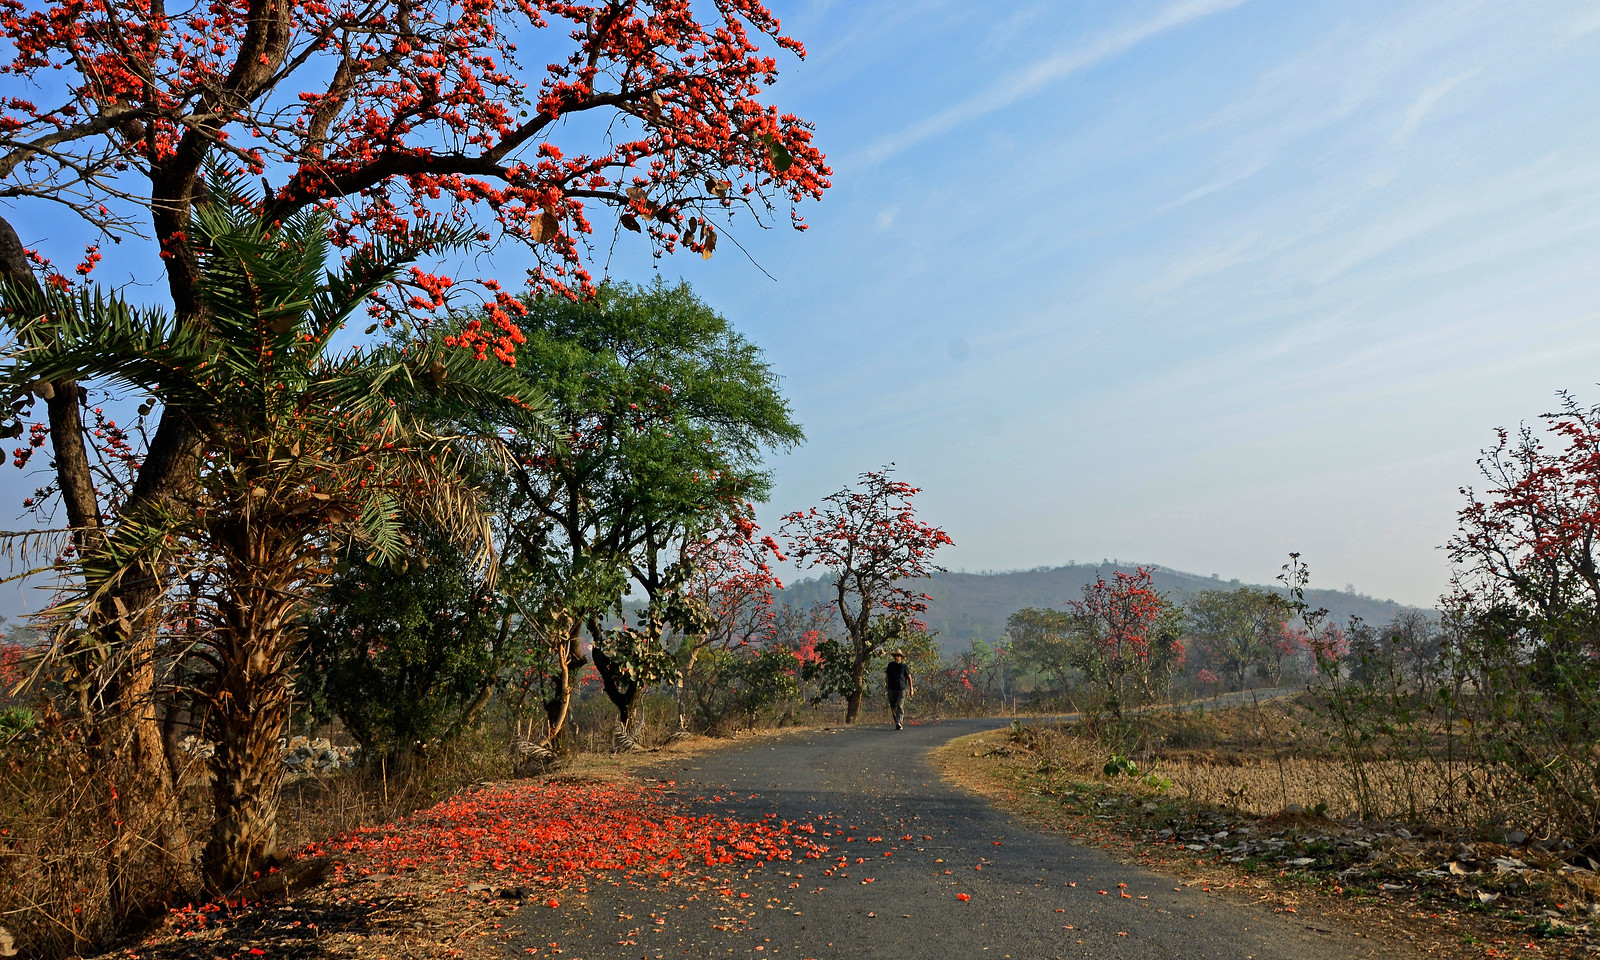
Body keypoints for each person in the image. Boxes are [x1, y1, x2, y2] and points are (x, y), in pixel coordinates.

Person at [885, 648, 913, 730]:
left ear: (901, 657)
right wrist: (887, 685)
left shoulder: (904, 666)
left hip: (901, 689)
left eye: (898, 656)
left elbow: (909, 677)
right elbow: (887, 676)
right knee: (893, 705)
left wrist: (911, 689)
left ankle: (899, 722)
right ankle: (896, 721)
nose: (897, 657)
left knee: (900, 705)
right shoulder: (890, 665)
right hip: (891, 688)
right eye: (895, 656)